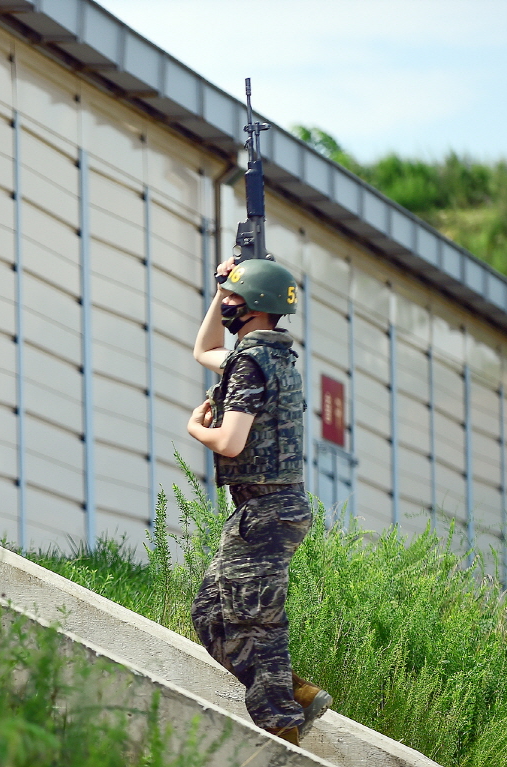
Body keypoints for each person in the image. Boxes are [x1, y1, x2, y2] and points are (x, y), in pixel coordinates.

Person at [186, 257, 332, 746]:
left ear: (256, 306)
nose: (226, 304)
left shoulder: (249, 363)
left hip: (267, 510)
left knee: (257, 621)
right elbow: (204, 348)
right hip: (262, 509)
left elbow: (229, 442)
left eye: (232, 298)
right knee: (210, 613)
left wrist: (195, 430)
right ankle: (293, 691)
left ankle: (281, 723)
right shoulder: (270, 356)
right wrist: (221, 284)